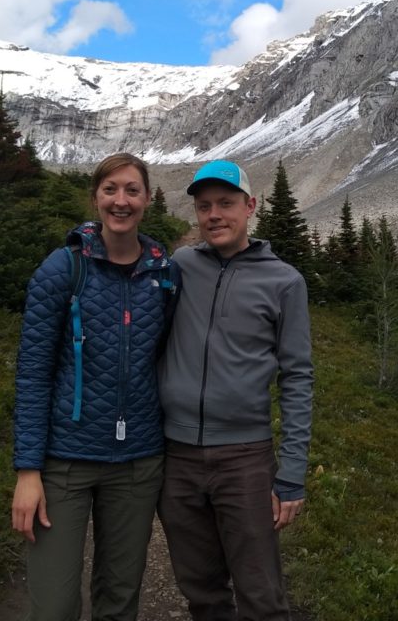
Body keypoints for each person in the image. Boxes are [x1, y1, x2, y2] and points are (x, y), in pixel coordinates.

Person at [11, 152, 178, 621]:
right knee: (55, 605)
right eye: (111, 190)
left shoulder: (165, 276)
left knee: (120, 599)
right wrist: (28, 471)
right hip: (65, 461)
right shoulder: (62, 270)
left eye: (131, 190)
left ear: (147, 199)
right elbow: (32, 373)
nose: (120, 201)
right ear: (95, 198)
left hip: (138, 461)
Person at [158, 159, 313, 621]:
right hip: (177, 455)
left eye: (226, 203)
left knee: (260, 591)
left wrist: (292, 473)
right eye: (204, 206)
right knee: (200, 588)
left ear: (250, 207)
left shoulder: (284, 281)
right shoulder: (182, 266)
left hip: (245, 459)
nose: (214, 215)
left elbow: (298, 377)